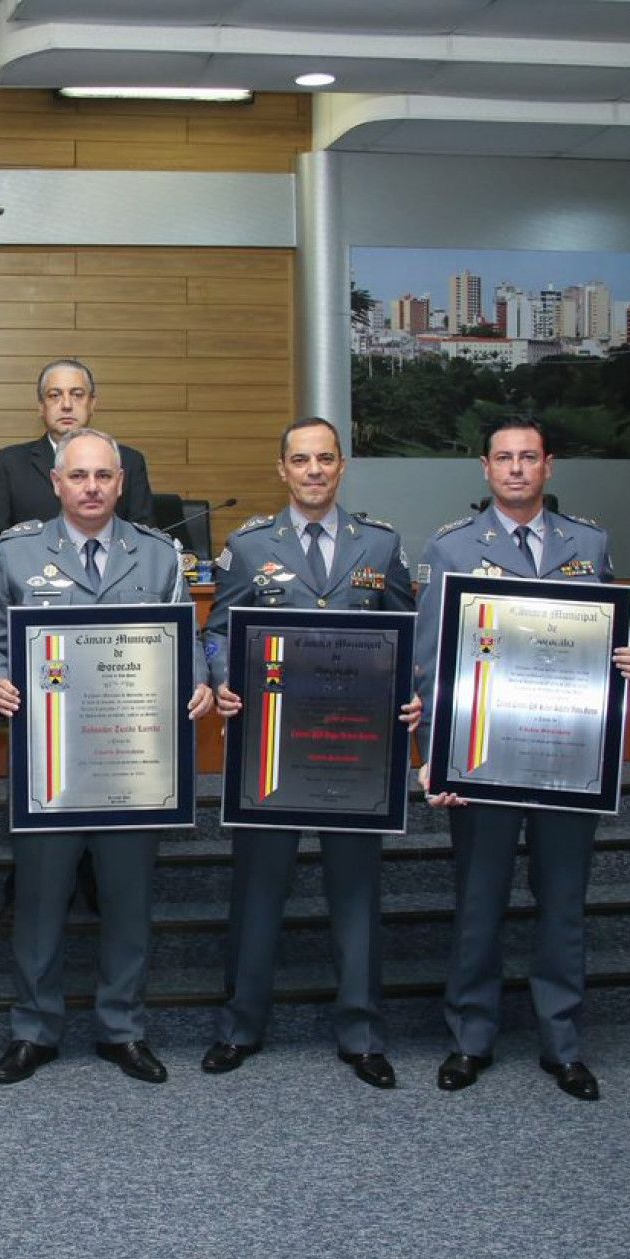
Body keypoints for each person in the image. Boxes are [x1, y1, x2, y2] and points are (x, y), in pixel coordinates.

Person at [0, 429, 214, 1086]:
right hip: (47, 764)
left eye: (102, 475)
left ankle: (122, 1026)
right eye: (77, 475)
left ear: (121, 482)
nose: (90, 487)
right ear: (55, 482)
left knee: (129, 903)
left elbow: (184, 640)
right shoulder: (18, 553)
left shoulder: (161, 553)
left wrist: (194, 679)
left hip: (131, 764)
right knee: (39, 906)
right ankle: (33, 1026)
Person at [415, 418, 630, 1103]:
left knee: (563, 904)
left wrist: (623, 662)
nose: (516, 469)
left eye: (528, 458)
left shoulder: (588, 542)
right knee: (478, 902)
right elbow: (428, 662)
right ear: (484, 468)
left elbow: (596, 640)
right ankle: (470, 1037)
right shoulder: (450, 546)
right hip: (482, 757)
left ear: (548, 466)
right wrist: (432, 759)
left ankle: (561, 1043)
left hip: (566, 756)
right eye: (503, 458)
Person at [200, 416, 418, 1089]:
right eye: (301, 460)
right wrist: (220, 676)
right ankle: (240, 1026)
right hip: (269, 749)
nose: (314, 470)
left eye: (325, 459)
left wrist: (411, 692)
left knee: (354, 895)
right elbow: (214, 631)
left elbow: (409, 633)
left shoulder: (379, 546)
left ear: (341, 466)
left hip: (355, 753)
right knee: (257, 893)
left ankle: (361, 1032)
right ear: (282, 469)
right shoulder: (247, 545)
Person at [0, 359, 156, 562]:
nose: (67, 405)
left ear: (92, 404)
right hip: (35, 582)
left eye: (77, 395)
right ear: (41, 407)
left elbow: (145, 542)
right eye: (54, 396)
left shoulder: (128, 461)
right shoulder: (9, 463)